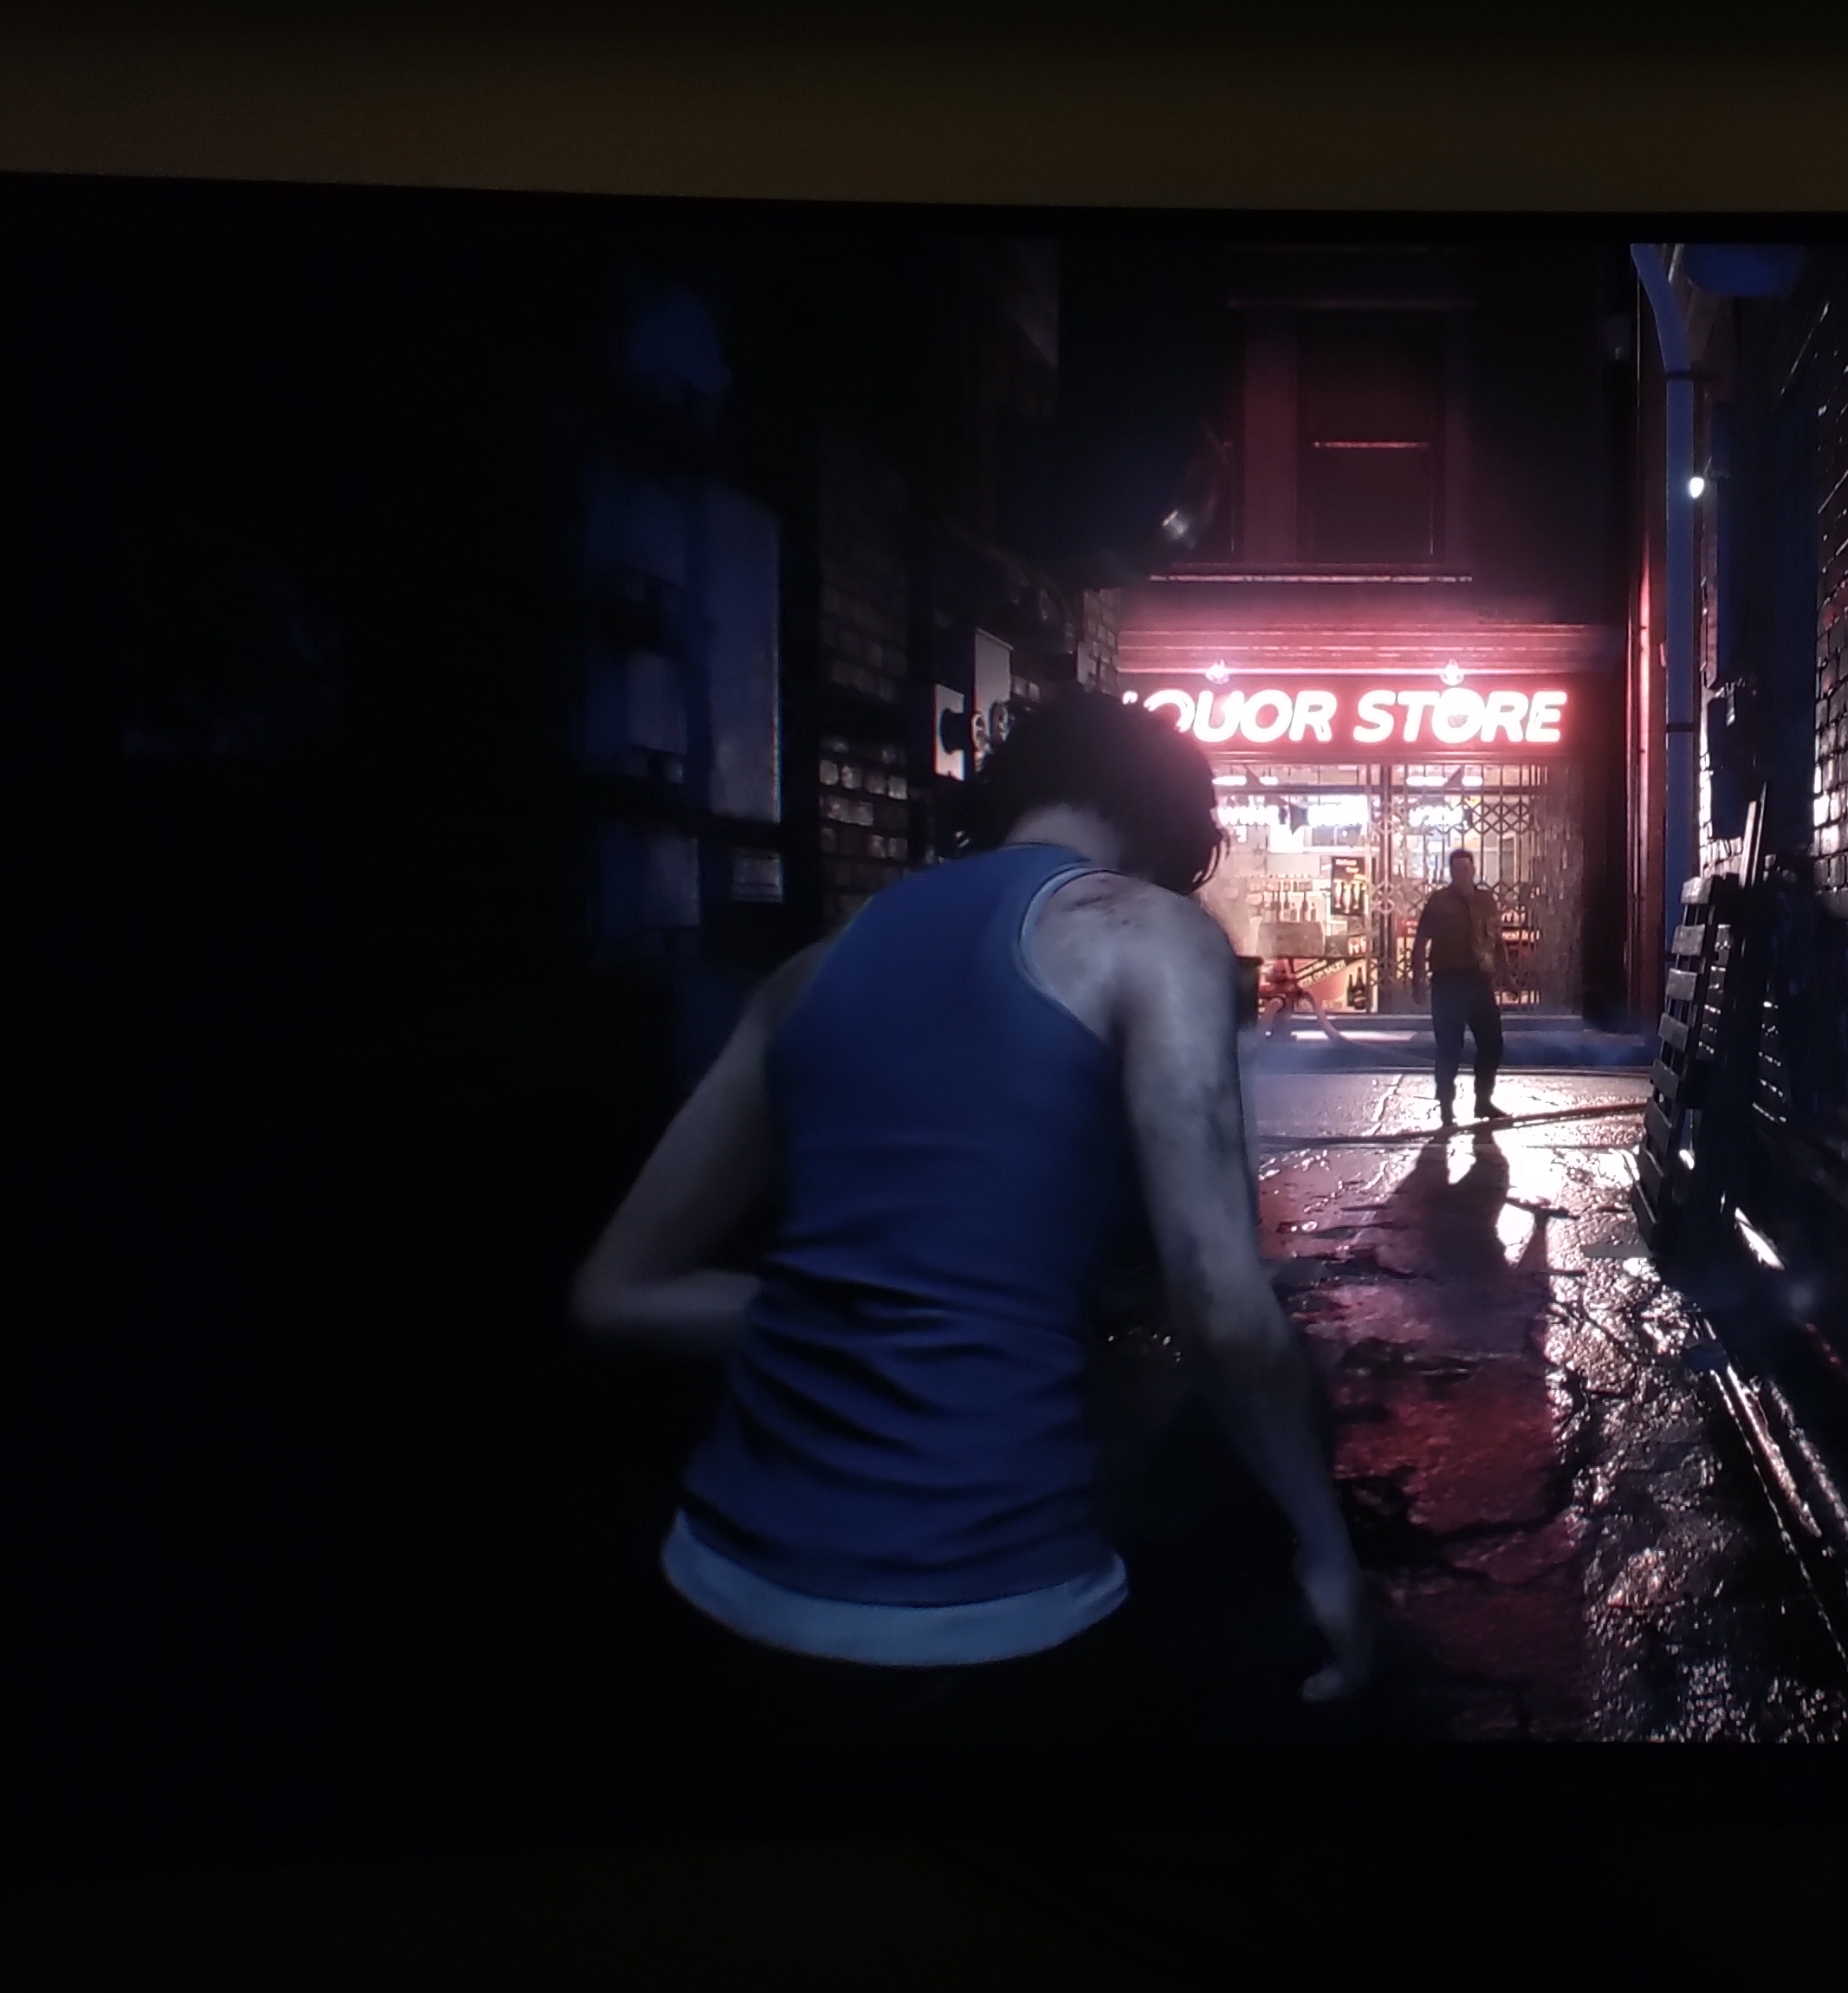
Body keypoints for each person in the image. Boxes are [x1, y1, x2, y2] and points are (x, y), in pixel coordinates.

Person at [571, 690, 1375, 1739]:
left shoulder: (812, 969)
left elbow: (616, 1292)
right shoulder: (1145, 932)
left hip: (716, 1582)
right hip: (984, 1608)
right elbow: (1220, 1308)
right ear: (1173, 829)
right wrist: (1325, 1545)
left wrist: (854, 1310)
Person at [1411, 847, 1508, 1129]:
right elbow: (1421, 941)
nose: (1462, 874)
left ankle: (1483, 1100)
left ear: (1473, 870)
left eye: (1466, 869)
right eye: (1456, 870)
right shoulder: (1439, 902)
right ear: (1451, 873)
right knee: (1449, 1047)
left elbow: (1497, 940)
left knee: (1492, 1042)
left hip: (1479, 982)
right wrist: (1418, 978)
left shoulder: (1486, 901)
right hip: (1448, 983)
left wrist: (1507, 976)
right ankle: (1446, 1106)